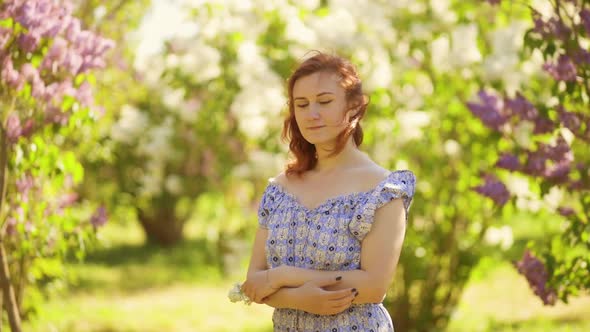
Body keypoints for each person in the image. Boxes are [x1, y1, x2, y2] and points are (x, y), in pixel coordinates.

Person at [241, 51, 416, 332]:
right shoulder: (279, 189)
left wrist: (282, 276)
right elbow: (254, 280)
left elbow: (373, 286)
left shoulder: (383, 190)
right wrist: (299, 299)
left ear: (354, 106)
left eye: (324, 101)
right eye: (302, 104)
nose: (312, 114)